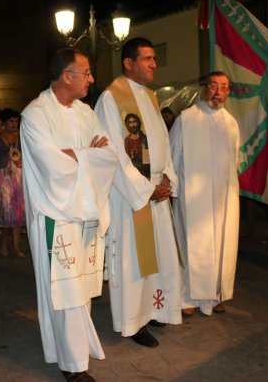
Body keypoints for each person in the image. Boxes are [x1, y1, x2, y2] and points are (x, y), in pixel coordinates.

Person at [21, 48, 117, 382]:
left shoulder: (86, 111)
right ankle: (73, 365)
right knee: (65, 291)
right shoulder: (35, 115)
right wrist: (88, 154)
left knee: (83, 288)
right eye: (86, 72)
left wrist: (80, 155)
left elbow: (109, 155)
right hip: (56, 214)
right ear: (67, 76)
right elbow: (51, 165)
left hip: (86, 210)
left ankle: (76, 351)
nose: (92, 78)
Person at [95, 37, 182, 348]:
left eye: (154, 58)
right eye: (147, 58)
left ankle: (155, 308)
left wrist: (169, 178)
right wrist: (146, 189)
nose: (153, 64)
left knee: (158, 256)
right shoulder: (111, 98)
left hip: (155, 190)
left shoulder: (151, 97)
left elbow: (163, 143)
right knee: (135, 259)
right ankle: (133, 322)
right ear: (128, 63)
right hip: (132, 195)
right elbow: (114, 155)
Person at [169, 71, 240, 316]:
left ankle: (213, 296)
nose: (218, 91)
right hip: (193, 196)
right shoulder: (186, 119)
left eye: (224, 87)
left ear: (228, 92)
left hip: (222, 198)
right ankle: (187, 297)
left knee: (221, 245)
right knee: (193, 244)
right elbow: (172, 155)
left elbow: (236, 159)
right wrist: (174, 190)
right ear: (204, 88)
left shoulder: (231, 123)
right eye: (213, 85)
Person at [0, 108, 26, 258]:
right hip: (3, 179)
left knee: (18, 215)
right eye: (11, 121)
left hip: (19, 179)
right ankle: (3, 244)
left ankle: (16, 246)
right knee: (6, 215)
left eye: (16, 121)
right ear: (4, 122)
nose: (14, 124)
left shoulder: (21, 139)